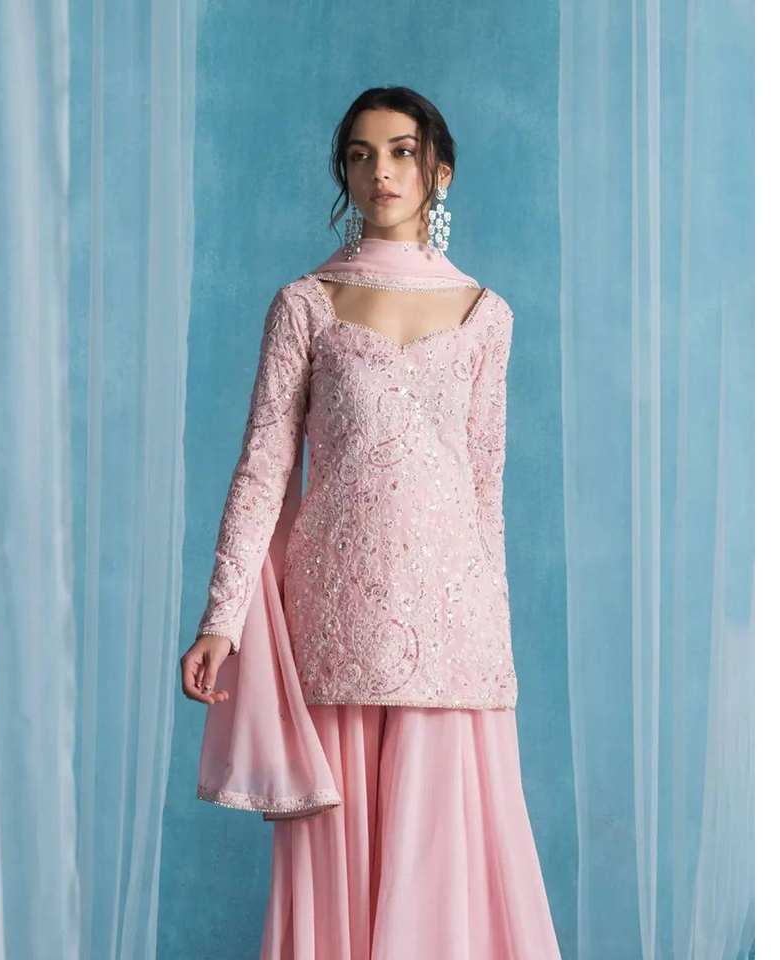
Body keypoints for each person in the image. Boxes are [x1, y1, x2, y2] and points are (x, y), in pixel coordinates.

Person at [180, 85, 562, 959]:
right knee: (340, 866)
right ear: (345, 174)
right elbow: (263, 469)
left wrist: (495, 646)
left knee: (443, 871)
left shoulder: (486, 315)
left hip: (452, 628)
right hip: (337, 618)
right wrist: (221, 621)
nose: (379, 171)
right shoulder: (305, 304)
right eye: (360, 155)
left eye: (399, 151)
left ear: (439, 171)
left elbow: (485, 484)